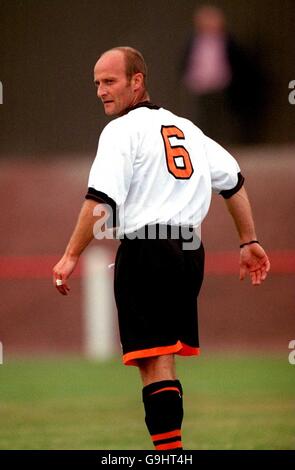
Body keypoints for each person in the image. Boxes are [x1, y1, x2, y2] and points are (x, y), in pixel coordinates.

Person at [52, 46, 270, 450]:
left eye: (110, 81)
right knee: (163, 358)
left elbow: (100, 199)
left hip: (147, 251)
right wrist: (249, 240)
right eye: (97, 83)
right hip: (190, 251)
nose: (101, 90)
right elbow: (234, 180)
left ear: (137, 81)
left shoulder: (120, 130)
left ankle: (170, 456)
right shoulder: (187, 128)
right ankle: (171, 451)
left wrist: (70, 255)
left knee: (152, 362)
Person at [180, 5, 266, 144]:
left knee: (221, 116)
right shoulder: (194, 41)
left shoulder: (227, 40)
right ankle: (201, 143)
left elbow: (237, 61)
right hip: (200, 84)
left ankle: (222, 143)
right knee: (202, 116)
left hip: (221, 83)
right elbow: (187, 60)